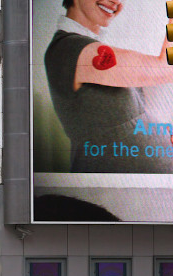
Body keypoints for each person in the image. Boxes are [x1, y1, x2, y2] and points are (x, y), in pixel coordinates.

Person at [44, 0, 173, 175]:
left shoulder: (88, 48)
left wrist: (161, 134)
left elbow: (125, 121)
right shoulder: (69, 49)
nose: (116, 2)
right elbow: (166, 68)